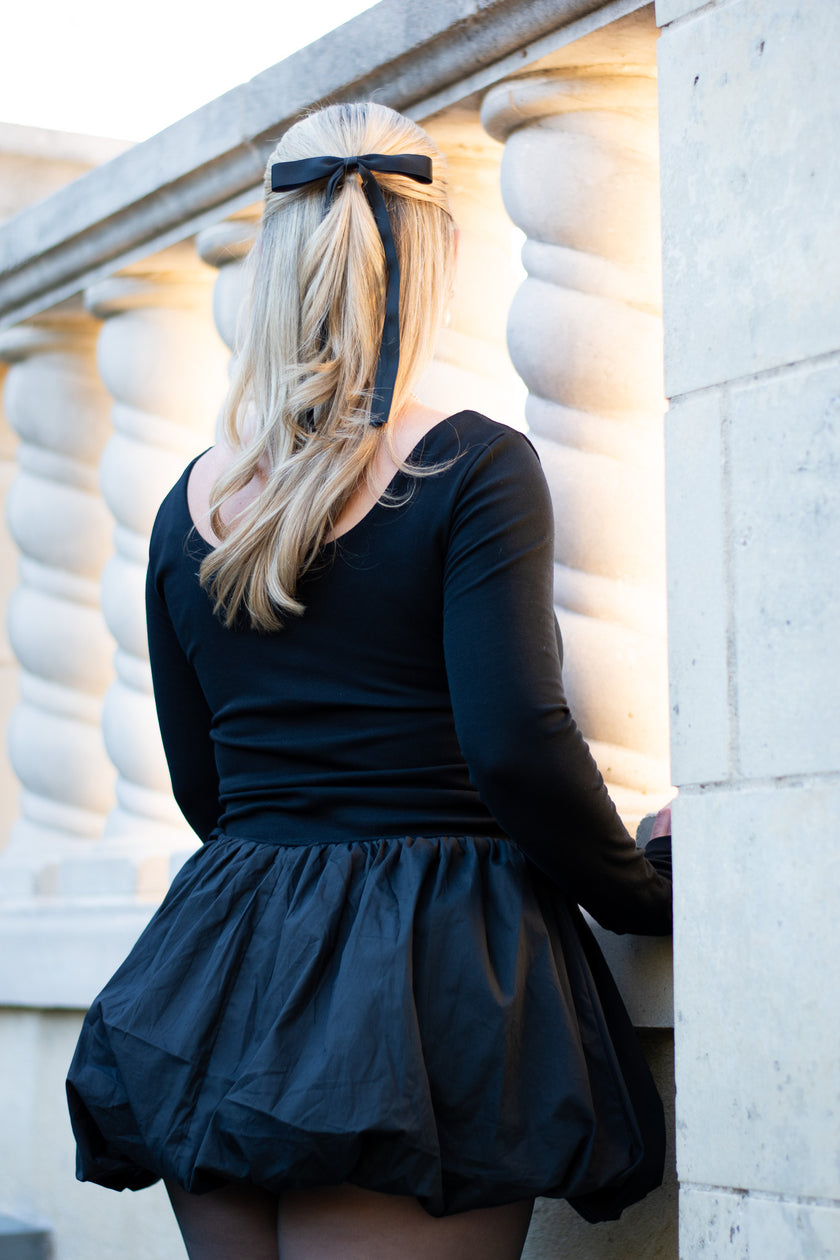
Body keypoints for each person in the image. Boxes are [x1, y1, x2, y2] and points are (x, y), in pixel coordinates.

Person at [66, 101, 673, 1260]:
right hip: (424, 982)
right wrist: (639, 891)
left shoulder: (190, 504)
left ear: (274, 258)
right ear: (433, 256)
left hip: (226, 971)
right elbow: (515, 744)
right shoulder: (474, 465)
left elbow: (208, 790)